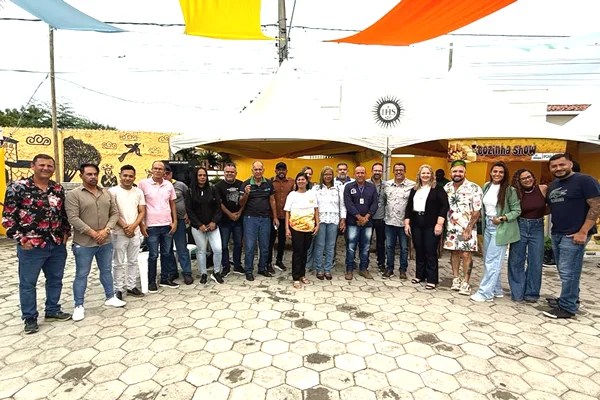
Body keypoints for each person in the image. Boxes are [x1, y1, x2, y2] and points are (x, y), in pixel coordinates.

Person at [2, 154, 72, 333]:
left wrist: (66, 233)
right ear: (33, 166)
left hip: (56, 243)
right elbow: (8, 218)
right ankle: (30, 318)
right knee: (28, 283)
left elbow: (62, 214)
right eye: (42, 165)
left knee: (55, 279)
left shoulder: (57, 188)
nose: (46, 168)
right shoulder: (18, 187)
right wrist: (21, 239)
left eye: (50, 166)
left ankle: (52, 310)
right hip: (31, 246)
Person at [66, 163, 125, 322]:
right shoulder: (74, 195)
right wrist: (93, 233)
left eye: (95, 174)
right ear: (81, 175)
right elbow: (73, 218)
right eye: (89, 174)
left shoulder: (106, 193)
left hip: (105, 240)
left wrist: (106, 230)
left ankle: (110, 297)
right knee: (82, 274)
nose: (93, 177)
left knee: (106, 270)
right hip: (84, 242)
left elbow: (114, 213)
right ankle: (79, 305)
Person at [543, 153, 600, 319]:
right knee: (564, 270)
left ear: (570, 164)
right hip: (558, 232)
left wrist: (583, 231)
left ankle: (567, 308)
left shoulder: (585, 180)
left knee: (569, 272)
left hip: (575, 234)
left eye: (562, 165)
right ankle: (570, 299)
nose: (558, 169)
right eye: (554, 166)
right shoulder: (553, 185)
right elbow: (549, 208)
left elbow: (596, 205)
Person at [471, 162, 521, 302]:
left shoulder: (510, 190)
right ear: (491, 172)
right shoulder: (486, 186)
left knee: (493, 261)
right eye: (495, 171)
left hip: (501, 227)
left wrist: (503, 218)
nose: (497, 174)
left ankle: (485, 293)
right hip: (488, 226)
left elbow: (517, 210)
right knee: (488, 260)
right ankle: (496, 289)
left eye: (501, 172)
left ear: (505, 174)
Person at [404, 164, 449, 290]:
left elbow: (444, 206)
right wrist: (407, 223)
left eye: (428, 173)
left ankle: (432, 279)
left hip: (431, 223)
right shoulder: (414, 189)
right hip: (416, 222)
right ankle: (420, 275)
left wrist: (439, 224)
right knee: (419, 249)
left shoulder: (438, 189)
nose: (425, 175)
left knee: (430, 250)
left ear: (431, 175)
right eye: (423, 173)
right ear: (419, 175)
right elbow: (409, 206)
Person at [507, 169, 548, 303]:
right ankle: (517, 292)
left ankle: (532, 293)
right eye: (523, 178)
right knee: (516, 260)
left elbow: (549, 207)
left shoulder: (542, 189)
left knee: (536, 260)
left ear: (533, 177)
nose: (527, 180)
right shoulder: (515, 193)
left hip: (537, 227)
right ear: (518, 181)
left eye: (529, 177)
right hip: (520, 225)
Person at [444, 160, 483, 296]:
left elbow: (477, 211)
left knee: (466, 254)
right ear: (450, 172)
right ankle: (456, 278)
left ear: (465, 172)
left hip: (467, 227)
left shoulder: (474, 188)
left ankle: (466, 282)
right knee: (454, 252)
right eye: (455, 171)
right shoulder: (447, 187)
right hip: (451, 227)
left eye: (460, 171)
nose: (457, 174)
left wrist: (469, 228)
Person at [138, 161, 179, 292]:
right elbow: (139, 205)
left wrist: (175, 221)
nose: (157, 171)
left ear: (164, 172)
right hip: (151, 226)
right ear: (151, 170)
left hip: (167, 225)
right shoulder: (143, 184)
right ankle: (151, 282)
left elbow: (172, 203)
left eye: (160, 169)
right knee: (153, 255)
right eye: (155, 168)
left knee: (167, 253)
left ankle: (165, 279)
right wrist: (141, 224)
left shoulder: (168, 185)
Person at [109, 165, 146, 300]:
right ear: (120, 175)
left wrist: (133, 227)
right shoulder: (112, 192)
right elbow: (112, 212)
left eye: (131, 176)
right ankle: (118, 289)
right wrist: (125, 227)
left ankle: (131, 286)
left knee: (133, 261)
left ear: (134, 177)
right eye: (125, 175)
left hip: (135, 232)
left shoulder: (138, 192)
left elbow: (141, 211)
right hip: (119, 232)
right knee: (118, 262)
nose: (128, 178)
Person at [239, 161, 279, 281]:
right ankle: (248, 270)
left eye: (260, 169)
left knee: (265, 246)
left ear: (263, 170)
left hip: (265, 218)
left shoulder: (268, 183)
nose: (258, 171)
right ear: (252, 171)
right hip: (250, 219)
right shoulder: (246, 184)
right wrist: (246, 194)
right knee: (250, 246)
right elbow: (241, 203)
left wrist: (275, 217)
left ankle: (262, 268)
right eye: (255, 169)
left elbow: (272, 200)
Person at [186, 167, 224, 284]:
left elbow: (218, 207)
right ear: (196, 177)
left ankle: (216, 272)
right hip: (198, 227)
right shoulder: (190, 191)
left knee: (218, 249)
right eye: (200, 175)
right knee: (201, 250)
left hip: (213, 226)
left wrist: (214, 222)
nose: (202, 177)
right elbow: (189, 210)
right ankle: (203, 273)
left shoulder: (212, 189)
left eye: (204, 175)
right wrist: (199, 225)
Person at [284, 172, 319, 289]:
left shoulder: (311, 194)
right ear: (296, 182)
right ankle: (295, 278)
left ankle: (302, 275)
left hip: (309, 228)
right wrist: (287, 229)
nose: (301, 181)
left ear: (307, 181)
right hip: (296, 228)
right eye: (298, 179)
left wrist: (317, 225)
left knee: (305, 252)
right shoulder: (292, 195)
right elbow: (287, 212)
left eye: (303, 179)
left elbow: (316, 210)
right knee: (297, 252)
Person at [344, 166, 378, 280]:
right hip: (353, 222)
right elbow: (348, 203)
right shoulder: (349, 186)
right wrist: (358, 217)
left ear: (365, 174)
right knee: (351, 246)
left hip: (368, 223)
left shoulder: (371, 187)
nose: (360, 175)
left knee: (366, 247)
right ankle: (349, 270)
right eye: (358, 173)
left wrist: (366, 217)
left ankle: (363, 269)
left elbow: (375, 203)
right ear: (354, 174)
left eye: (362, 173)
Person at [382, 162, 415, 279]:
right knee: (389, 246)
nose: (398, 172)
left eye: (401, 170)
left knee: (404, 248)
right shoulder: (387, 185)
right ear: (393, 171)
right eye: (396, 170)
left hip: (404, 223)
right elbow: (385, 200)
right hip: (389, 221)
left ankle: (403, 270)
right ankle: (389, 269)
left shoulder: (412, 185)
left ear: (405, 171)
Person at [313, 166, 346, 280]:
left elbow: (342, 205)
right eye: (325, 174)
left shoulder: (338, 188)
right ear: (322, 175)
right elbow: (314, 206)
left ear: (333, 175)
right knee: (320, 245)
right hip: (320, 220)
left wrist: (342, 219)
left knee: (331, 246)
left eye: (330, 174)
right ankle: (319, 269)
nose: (328, 176)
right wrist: (315, 221)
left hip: (333, 219)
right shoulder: (316, 189)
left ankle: (327, 269)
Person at [164, 165, 193, 284]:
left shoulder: (180, 185)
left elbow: (189, 199)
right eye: (163, 173)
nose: (165, 176)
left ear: (171, 174)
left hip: (180, 220)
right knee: (168, 249)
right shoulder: (159, 187)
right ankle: (172, 272)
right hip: (165, 222)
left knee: (182, 247)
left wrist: (188, 213)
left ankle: (187, 272)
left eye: (167, 173)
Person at [215, 162, 244, 276]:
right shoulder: (218, 186)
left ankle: (237, 265)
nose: (229, 174)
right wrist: (230, 214)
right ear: (224, 173)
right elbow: (219, 203)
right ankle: (225, 266)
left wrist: (239, 213)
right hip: (224, 221)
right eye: (227, 172)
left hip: (238, 220)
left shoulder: (241, 184)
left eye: (232, 172)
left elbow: (245, 201)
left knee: (238, 244)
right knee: (224, 245)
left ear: (236, 173)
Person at [268, 162, 294, 273]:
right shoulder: (270, 182)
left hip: (285, 217)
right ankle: (268, 262)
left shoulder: (292, 182)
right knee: (270, 240)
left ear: (286, 171)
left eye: (283, 169)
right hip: (272, 216)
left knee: (282, 240)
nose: (281, 171)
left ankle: (279, 261)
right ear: (275, 171)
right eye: (279, 169)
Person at [367, 162, 386, 272]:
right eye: (375, 170)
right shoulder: (366, 184)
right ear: (372, 171)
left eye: (379, 170)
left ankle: (381, 263)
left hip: (381, 218)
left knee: (381, 243)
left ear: (382, 172)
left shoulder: (386, 185)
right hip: (368, 218)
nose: (377, 172)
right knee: (366, 243)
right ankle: (365, 263)